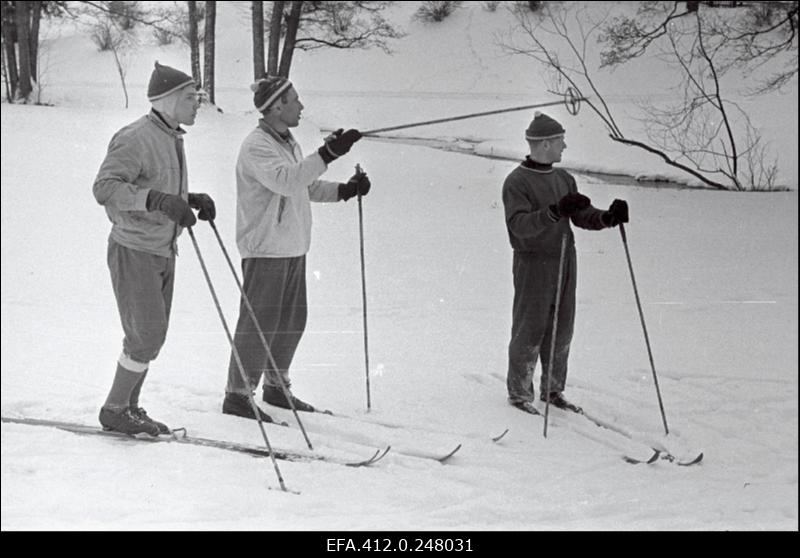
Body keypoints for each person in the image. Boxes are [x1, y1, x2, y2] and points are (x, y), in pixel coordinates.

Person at [221, 76, 371, 421]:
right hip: (265, 248)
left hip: (293, 246)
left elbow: (304, 184)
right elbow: (286, 181)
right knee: (260, 321)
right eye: (295, 100)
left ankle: (276, 385)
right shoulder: (256, 146)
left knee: (291, 320)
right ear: (276, 106)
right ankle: (238, 394)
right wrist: (329, 153)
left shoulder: (287, 142)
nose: (301, 107)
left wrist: (344, 190)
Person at [93, 62, 216, 436]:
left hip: (162, 249)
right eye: (192, 98)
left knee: (151, 335)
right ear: (168, 99)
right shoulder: (135, 137)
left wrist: (188, 198)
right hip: (135, 249)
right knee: (146, 334)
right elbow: (105, 188)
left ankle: (127, 408)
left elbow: (155, 183)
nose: (198, 104)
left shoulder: (170, 136)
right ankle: (115, 409)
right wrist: (159, 200)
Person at [501, 111, 629, 415]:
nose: (564, 146)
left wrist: (606, 218)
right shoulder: (516, 182)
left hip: (564, 261)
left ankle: (553, 389)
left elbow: (580, 214)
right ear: (544, 143)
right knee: (530, 327)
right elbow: (519, 227)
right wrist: (553, 212)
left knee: (563, 328)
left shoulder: (564, 178)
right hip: (534, 264)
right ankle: (519, 393)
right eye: (560, 140)